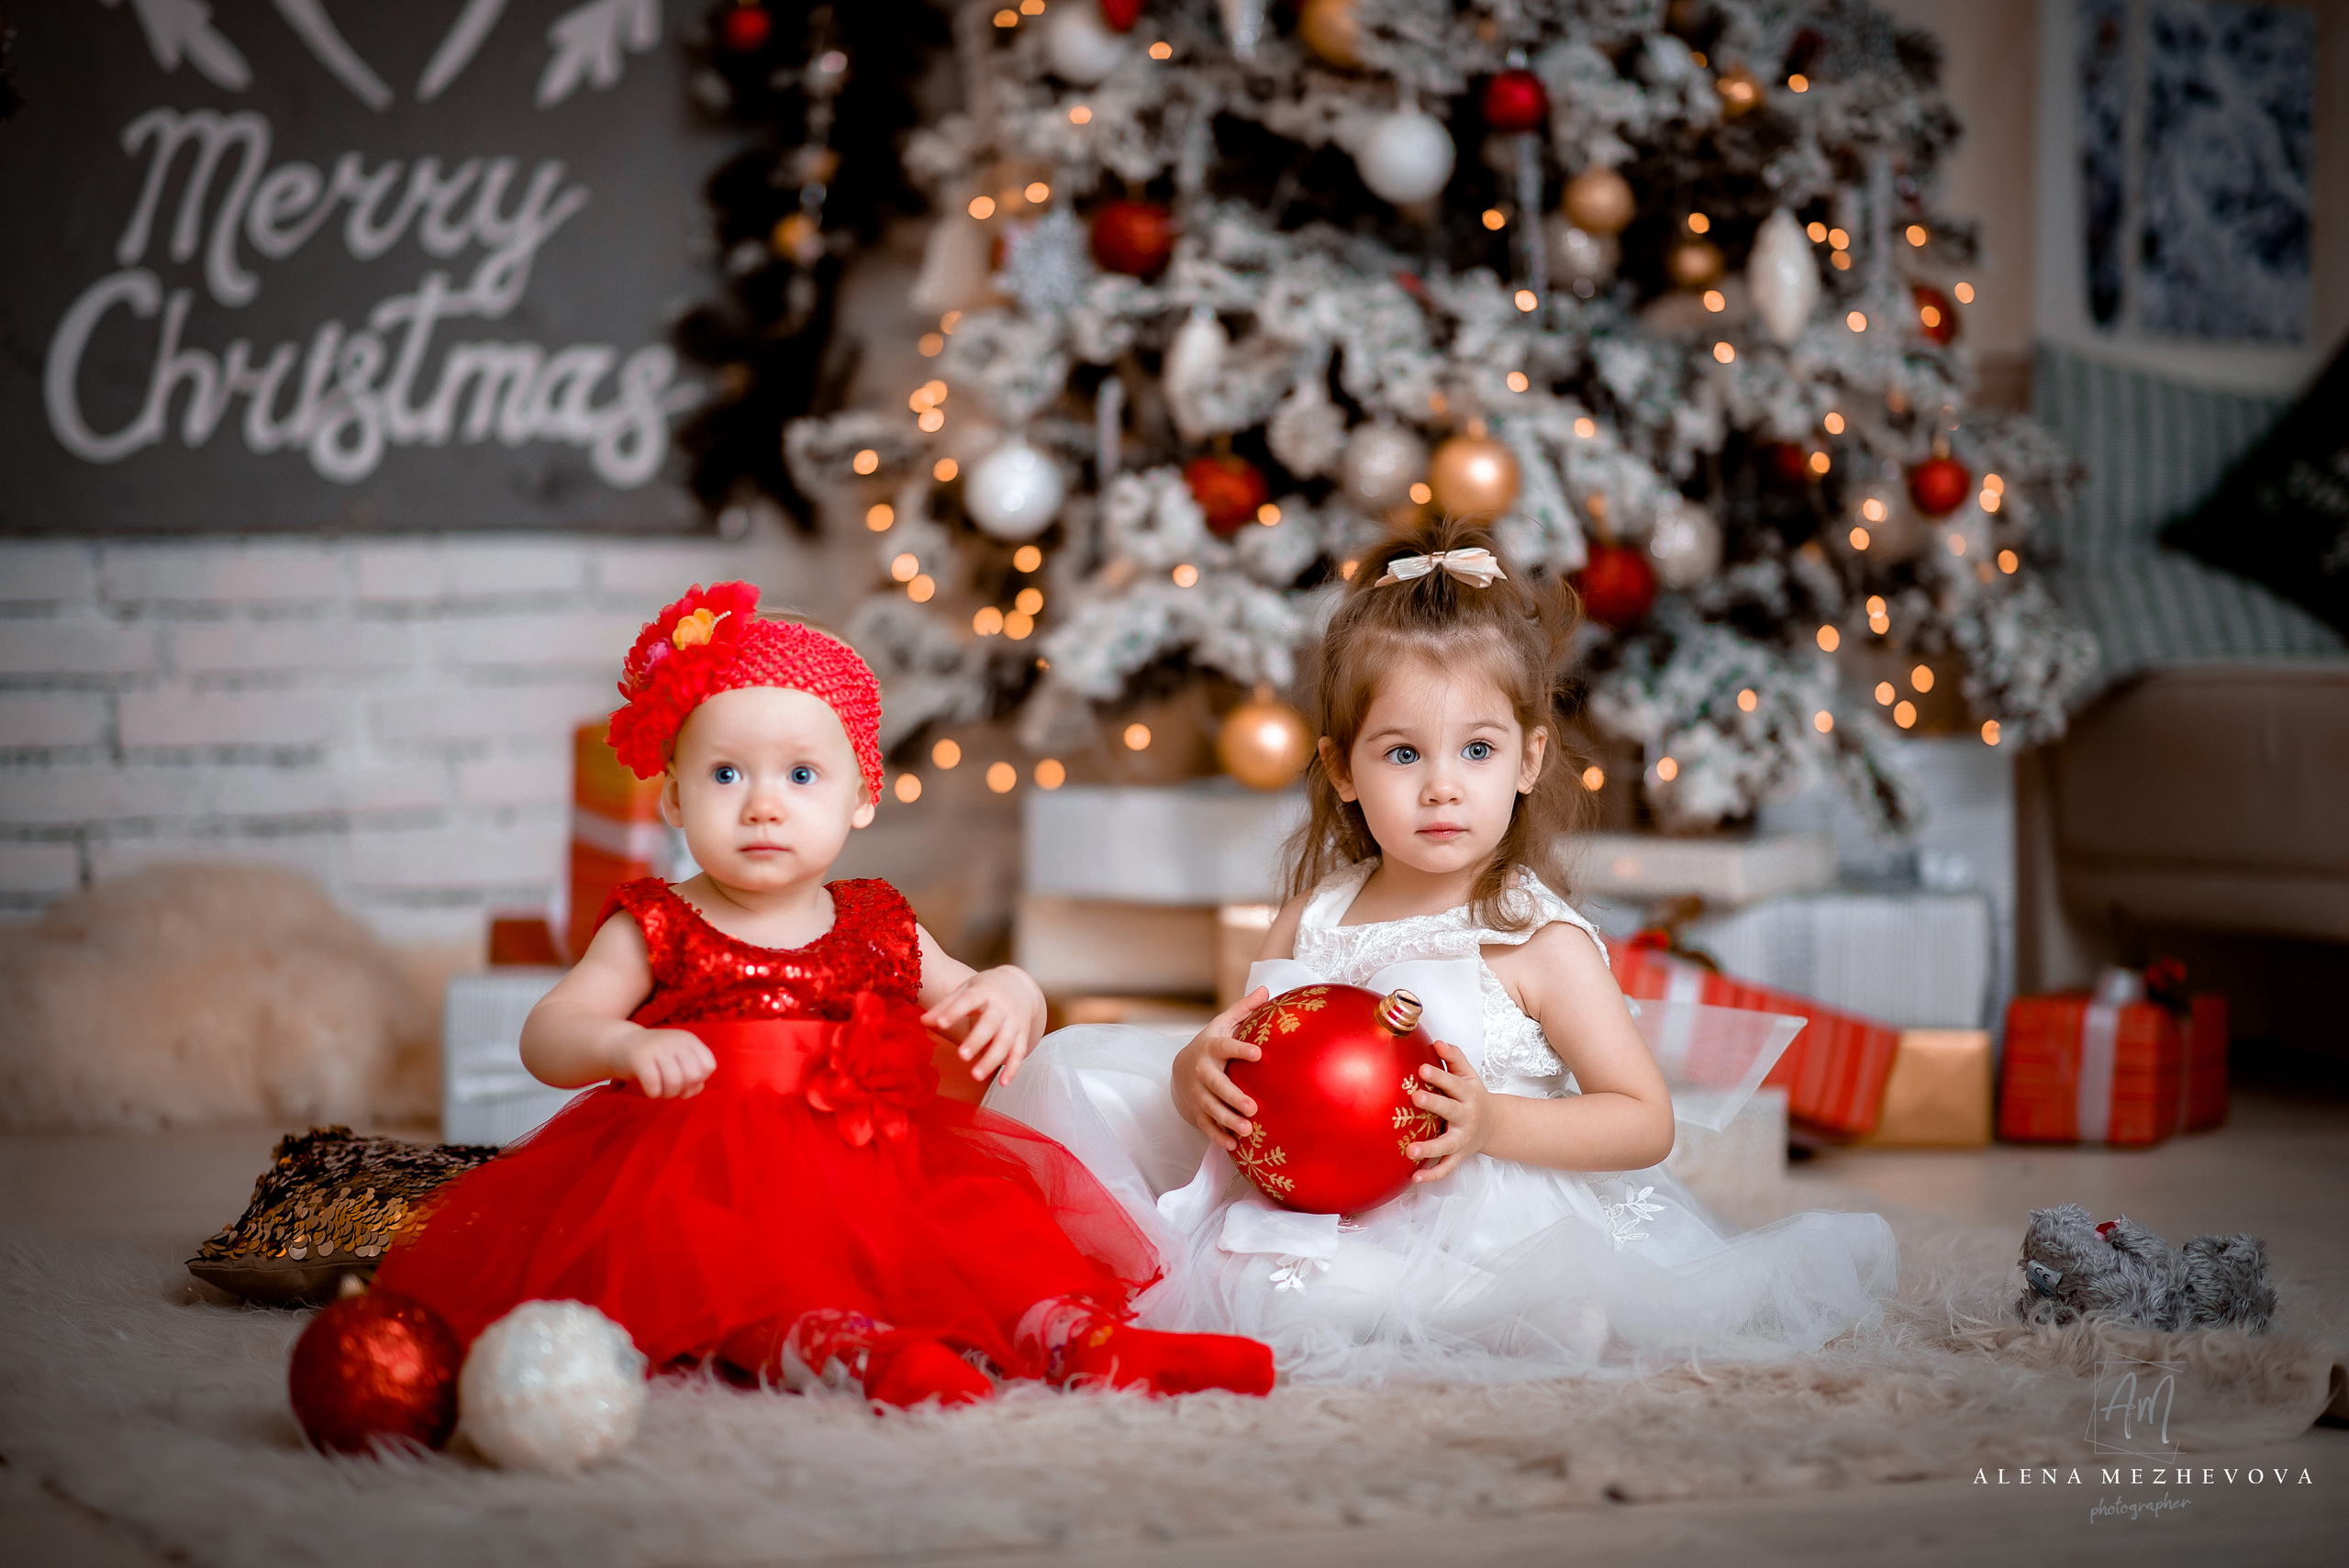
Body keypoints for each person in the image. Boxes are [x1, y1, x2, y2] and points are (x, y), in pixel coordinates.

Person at [988, 521, 1900, 1384]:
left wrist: (1493, 1123)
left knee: (1333, 1291)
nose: (1440, 787)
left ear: (1528, 759)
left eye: (1475, 748)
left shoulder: (1535, 941)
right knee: (1104, 1105)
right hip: (1317, 1199)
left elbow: (1641, 1121)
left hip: (1489, 1208)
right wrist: (1199, 1070)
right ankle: (1457, 1309)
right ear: (1342, 769)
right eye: (1400, 754)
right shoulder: (1313, 917)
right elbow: (1250, 1049)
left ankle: (1523, 1305)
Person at [373, 582, 1274, 1407]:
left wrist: (1012, 989)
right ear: (676, 800)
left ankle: (1081, 1338)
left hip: (871, 1156)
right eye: (727, 774)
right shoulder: (658, 920)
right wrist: (621, 1046)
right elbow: (550, 1029)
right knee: (740, 1271)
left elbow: (972, 989)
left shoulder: (875, 919)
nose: (763, 805)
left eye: (800, 775)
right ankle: (837, 1347)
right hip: (697, 1171)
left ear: (860, 797)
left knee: (981, 1241)